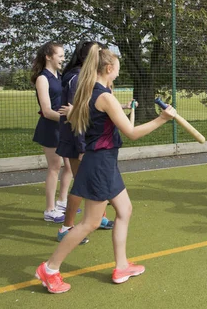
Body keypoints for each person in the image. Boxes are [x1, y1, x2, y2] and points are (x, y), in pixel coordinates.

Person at [35, 44, 176, 293]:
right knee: (89, 222)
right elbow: (131, 133)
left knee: (125, 210)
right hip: (99, 163)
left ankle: (121, 266)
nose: (117, 76)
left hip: (105, 162)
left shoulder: (90, 92)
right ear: (109, 68)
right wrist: (162, 119)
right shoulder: (104, 97)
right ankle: (50, 268)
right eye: (117, 71)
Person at [55, 41, 115, 245]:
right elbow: (77, 116)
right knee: (81, 184)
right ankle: (66, 227)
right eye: (98, 52)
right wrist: (82, 147)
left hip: (87, 140)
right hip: (77, 139)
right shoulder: (75, 79)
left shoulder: (91, 78)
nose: (102, 54)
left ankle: (100, 217)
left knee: (95, 181)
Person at [31, 42, 72, 223]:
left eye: (64, 55)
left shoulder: (60, 76)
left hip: (63, 126)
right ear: (48, 56)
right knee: (55, 168)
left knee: (70, 166)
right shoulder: (43, 78)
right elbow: (47, 111)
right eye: (60, 55)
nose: (63, 58)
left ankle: (62, 202)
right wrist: (69, 118)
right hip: (50, 128)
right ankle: (50, 210)